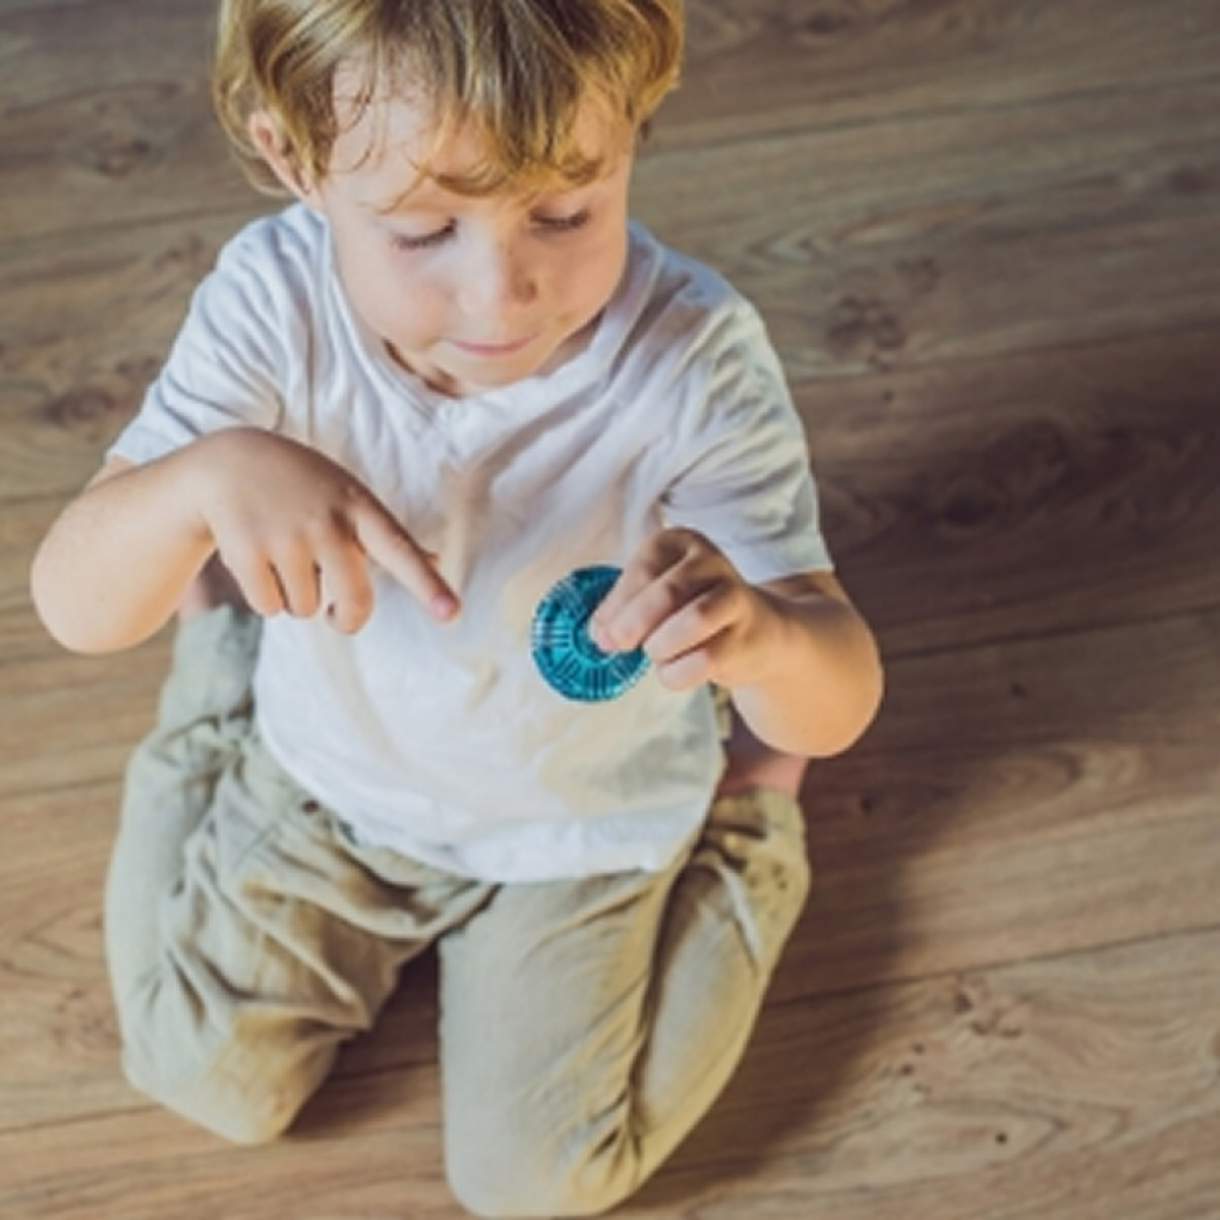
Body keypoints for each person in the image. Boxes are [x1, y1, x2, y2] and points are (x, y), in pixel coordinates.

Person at [29, 0, 883, 1214]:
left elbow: (838, 694)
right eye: (423, 230)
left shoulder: (694, 361)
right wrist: (200, 479)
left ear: (631, 129)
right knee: (197, 1073)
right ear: (295, 159)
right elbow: (73, 604)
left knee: (537, 1182)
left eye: (565, 212)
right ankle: (220, 655)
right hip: (334, 780)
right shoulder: (274, 300)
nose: (501, 296)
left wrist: (768, 640)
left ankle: (749, 819)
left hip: (584, 820)